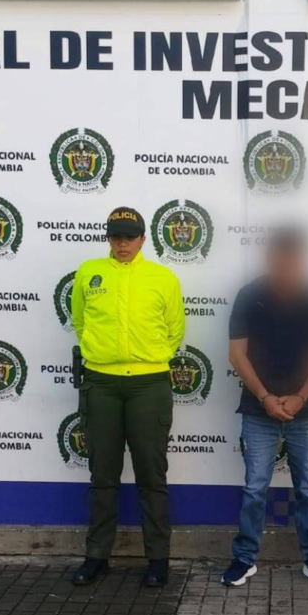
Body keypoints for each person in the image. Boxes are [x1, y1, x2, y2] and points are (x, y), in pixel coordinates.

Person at [69, 207, 185, 587]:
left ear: (143, 239)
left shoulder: (163, 277)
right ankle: (96, 557)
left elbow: (174, 330)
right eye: (116, 236)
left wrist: (146, 359)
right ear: (108, 238)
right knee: (102, 475)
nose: (122, 244)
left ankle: (158, 560)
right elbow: (80, 322)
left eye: (130, 237)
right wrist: (104, 356)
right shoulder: (88, 273)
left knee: (152, 475)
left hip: (149, 384)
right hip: (101, 383)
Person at [220, 228, 308, 589]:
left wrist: (300, 397)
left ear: (303, 258)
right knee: (255, 488)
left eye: (293, 254)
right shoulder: (249, 295)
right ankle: (245, 558)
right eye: (280, 254)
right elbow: (236, 354)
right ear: (270, 256)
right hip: (259, 409)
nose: (286, 261)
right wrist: (265, 398)